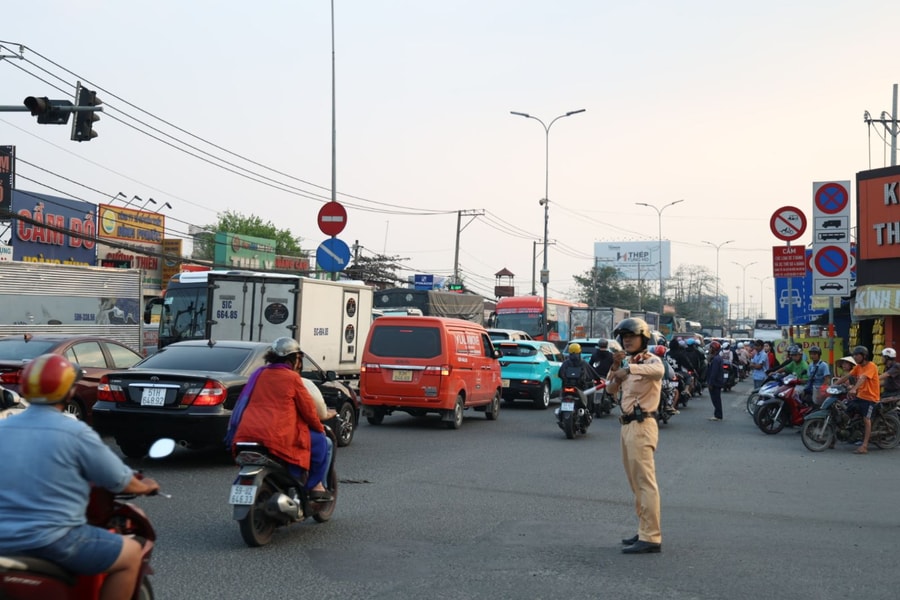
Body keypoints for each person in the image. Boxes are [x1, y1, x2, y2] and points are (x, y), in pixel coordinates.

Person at [0, 354, 160, 600]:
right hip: (53, 540)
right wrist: (145, 485)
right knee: (130, 555)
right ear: (67, 390)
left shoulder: (4, 429)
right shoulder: (74, 432)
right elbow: (120, 480)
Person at [230, 337, 335, 499]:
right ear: (294, 359)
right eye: (299, 359)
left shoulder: (258, 375)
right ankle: (315, 486)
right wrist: (319, 427)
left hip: (246, 433)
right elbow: (308, 411)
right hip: (276, 436)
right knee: (322, 441)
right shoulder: (292, 378)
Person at [606, 318, 665, 554]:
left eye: (632, 336)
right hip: (626, 426)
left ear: (644, 338)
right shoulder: (626, 363)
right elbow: (610, 390)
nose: (627, 340)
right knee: (635, 484)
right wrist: (615, 369)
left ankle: (651, 536)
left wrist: (629, 369)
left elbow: (659, 371)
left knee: (645, 483)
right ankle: (644, 530)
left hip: (643, 425)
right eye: (624, 337)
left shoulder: (651, 360)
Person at [835, 345, 880, 455]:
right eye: (854, 355)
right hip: (860, 396)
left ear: (864, 356)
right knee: (845, 412)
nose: (854, 357)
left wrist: (854, 388)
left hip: (870, 398)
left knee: (866, 419)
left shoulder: (871, 366)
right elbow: (847, 376)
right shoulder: (858, 367)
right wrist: (833, 385)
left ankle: (864, 446)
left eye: (857, 355)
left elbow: (863, 378)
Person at [558, 342, 599, 411]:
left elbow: (560, 374)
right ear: (579, 352)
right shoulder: (583, 363)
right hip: (581, 387)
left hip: (566, 386)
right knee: (589, 396)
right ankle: (588, 410)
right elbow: (592, 373)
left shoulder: (566, 363)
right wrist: (598, 379)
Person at [706, 341, 725, 421]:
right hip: (716, 381)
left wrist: (711, 383)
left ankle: (718, 415)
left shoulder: (716, 359)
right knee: (715, 399)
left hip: (715, 382)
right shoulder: (715, 358)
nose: (709, 349)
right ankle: (717, 414)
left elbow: (714, 372)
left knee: (716, 399)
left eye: (711, 348)